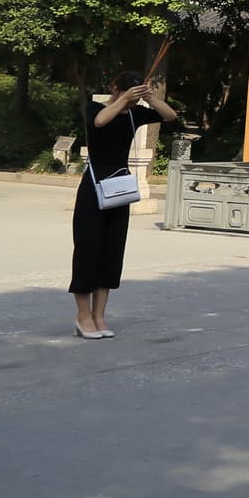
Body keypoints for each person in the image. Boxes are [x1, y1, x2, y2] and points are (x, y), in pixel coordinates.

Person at [71, 70, 176, 339]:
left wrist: (149, 98)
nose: (131, 102)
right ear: (115, 88)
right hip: (94, 188)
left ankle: (99, 316)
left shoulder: (134, 114)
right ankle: (83, 317)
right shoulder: (96, 108)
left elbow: (170, 116)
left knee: (111, 252)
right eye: (128, 95)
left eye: (134, 98)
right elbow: (99, 122)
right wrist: (122, 100)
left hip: (120, 190)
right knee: (87, 251)